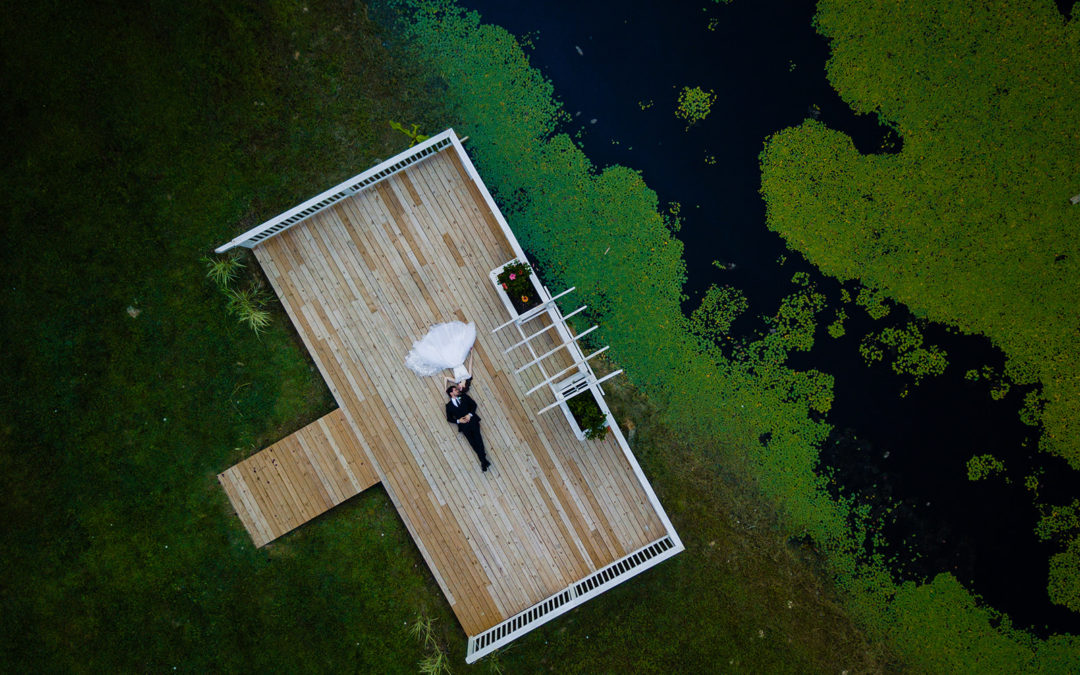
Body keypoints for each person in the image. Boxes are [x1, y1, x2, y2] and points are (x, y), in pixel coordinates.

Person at [445, 381, 490, 472]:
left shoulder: (464, 397)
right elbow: (449, 419)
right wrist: (458, 421)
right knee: (473, 444)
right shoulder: (448, 406)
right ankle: (484, 461)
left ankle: (483, 462)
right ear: (451, 393)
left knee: (479, 441)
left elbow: (474, 405)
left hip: (473, 422)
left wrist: (470, 414)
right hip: (464, 427)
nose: (457, 390)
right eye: (455, 390)